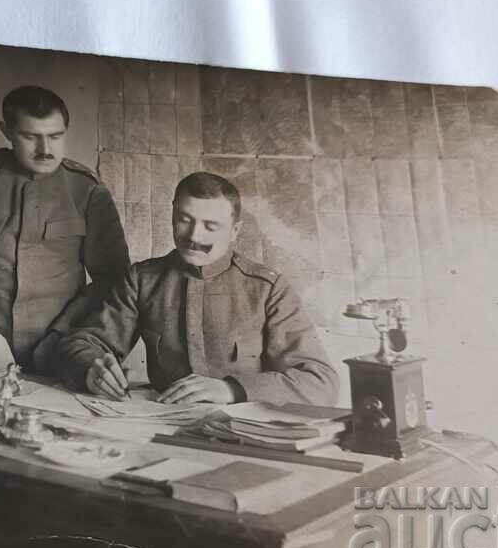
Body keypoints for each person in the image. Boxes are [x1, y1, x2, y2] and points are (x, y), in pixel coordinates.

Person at [56, 171, 339, 406]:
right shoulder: (143, 279)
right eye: (185, 219)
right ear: (172, 217)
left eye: (210, 226)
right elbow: (83, 343)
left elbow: (320, 382)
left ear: (235, 231)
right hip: (164, 426)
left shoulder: (267, 289)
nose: (194, 236)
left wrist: (230, 390)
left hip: (245, 434)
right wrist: (91, 369)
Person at [0, 85, 130, 371]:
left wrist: (68, 335)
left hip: (59, 355)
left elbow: (113, 280)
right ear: (6, 131)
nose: (45, 150)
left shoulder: (87, 191)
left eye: (55, 136)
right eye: (30, 137)